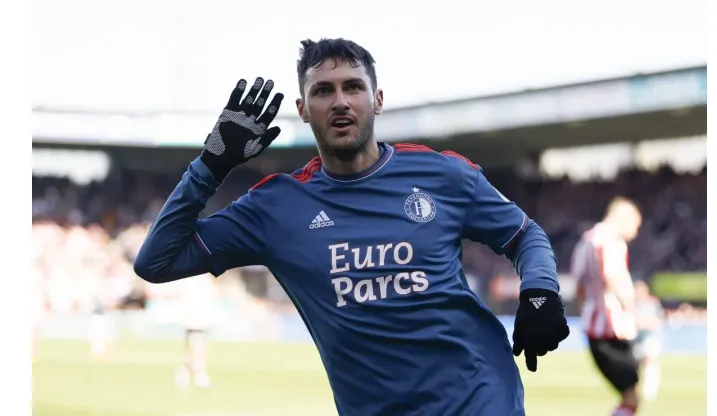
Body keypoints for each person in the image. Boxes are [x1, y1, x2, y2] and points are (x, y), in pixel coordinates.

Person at [134, 38, 570, 416]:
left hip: (480, 398)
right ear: (304, 110)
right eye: (323, 90)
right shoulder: (276, 207)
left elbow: (524, 235)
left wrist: (540, 290)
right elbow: (157, 262)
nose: (340, 101)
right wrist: (210, 165)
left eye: (354, 87)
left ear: (377, 100)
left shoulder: (443, 175)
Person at [571, 197, 643, 416]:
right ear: (623, 217)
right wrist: (630, 306)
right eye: (635, 225)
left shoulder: (586, 240)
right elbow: (612, 277)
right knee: (633, 394)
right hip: (612, 328)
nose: (636, 232)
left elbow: (578, 285)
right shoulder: (611, 242)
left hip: (593, 326)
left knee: (631, 393)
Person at [632, 280, 663, 401]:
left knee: (650, 361)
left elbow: (657, 320)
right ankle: (635, 389)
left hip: (650, 338)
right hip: (636, 339)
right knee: (636, 364)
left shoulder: (652, 303)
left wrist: (643, 324)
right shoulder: (632, 304)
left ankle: (650, 391)